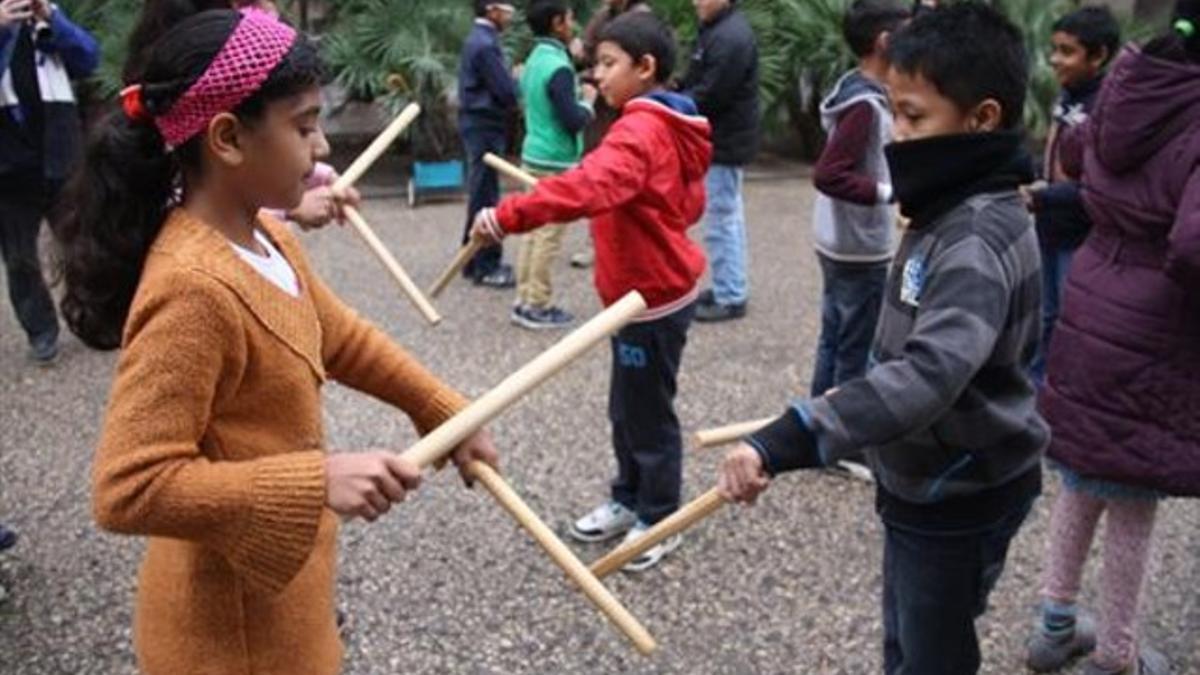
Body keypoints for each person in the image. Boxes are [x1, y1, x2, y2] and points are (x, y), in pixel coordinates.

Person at [53, 10, 498, 673]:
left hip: (282, 602)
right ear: (228, 137)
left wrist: (442, 408)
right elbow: (127, 487)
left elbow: (342, 338)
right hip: (226, 640)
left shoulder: (268, 234)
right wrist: (315, 478)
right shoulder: (192, 289)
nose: (322, 150)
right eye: (305, 126)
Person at [719, 5, 1046, 673]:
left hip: (959, 488)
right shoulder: (952, 201)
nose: (897, 133)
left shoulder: (976, 235)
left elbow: (929, 373)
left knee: (932, 648)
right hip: (925, 477)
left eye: (915, 116)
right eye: (895, 112)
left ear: (982, 118)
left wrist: (793, 435)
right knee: (908, 632)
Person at [472, 11, 711, 572]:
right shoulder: (665, 124)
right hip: (638, 292)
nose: (595, 75)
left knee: (647, 413)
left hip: (651, 297)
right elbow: (665, 199)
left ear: (646, 67)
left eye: (608, 64)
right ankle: (629, 497)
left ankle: (660, 514)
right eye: (595, 62)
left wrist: (510, 216)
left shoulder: (641, 129)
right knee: (627, 407)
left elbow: (592, 183)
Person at [1024, 2, 1200, 673]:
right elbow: (1191, 242)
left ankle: (1054, 623)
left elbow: (1079, 159)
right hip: (1153, 317)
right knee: (1132, 499)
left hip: (1094, 288)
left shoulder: (1130, 83)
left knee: (1081, 477)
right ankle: (1117, 653)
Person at [122, 0, 359, 231]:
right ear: (228, 137)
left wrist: (318, 176)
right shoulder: (190, 267)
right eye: (304, 128)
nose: (271, 10)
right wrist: (290, 211)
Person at [807, 0, 908, 481]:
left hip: (835, 238)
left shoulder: (853, 88)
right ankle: (842, 444)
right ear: (885, 42)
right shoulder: (865, 105)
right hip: (857, 245)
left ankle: (816, 426)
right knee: (854, 345)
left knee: (835, 336)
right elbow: (829, 174)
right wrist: (890, 192)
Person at [1024, 5, 1119, 384]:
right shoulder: (1068, 95)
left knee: (1068, 320)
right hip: (1049, 226)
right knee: (1045, 316)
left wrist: (1041, 196)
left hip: (1078, 234)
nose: (1054, 60)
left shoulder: (1107, 106)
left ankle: (1059, 393)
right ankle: (1036, 386)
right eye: (1054, 49)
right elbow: (1052, 154)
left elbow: (1099, 185)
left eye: (1067, 51)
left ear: (1099, 56)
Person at [0, 0, 97, 364]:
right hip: (9, 166)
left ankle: (94, 315)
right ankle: (40, 330)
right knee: (20, 258)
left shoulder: (49, 20)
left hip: (60, 154)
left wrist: (51, 18)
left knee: (82, 244)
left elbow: (88, 58)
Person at [510, 0, 597, 330]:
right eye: (571, 18)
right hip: (554, 160)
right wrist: (588, 100)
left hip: (533, 153)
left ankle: (523, 299)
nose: (573, 23)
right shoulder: (557, 66)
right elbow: (572, 119)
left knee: (532, 231)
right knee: (549, 233)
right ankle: (538, 304)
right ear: (558, 22)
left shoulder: (534, 60)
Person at [680, 0, 759, 322]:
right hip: (722, 139)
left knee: (721, 219)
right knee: (728, 215)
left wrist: (671, 104)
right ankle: (731, 285)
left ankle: (730, 295)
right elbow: (697, 79)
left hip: (724, 142)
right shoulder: (716, 30)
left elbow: (711, 94)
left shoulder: (731, 37)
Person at [571, 0, 651, 269]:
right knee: (599, 174)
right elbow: (587, 53)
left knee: (630, 179)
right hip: (603, 113)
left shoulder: (641, 18)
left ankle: (630, 241)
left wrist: (595, 74)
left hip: (629, 110)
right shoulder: (603, 15)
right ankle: (598, 240)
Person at [457, 0, 519, 288]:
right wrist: (515, 80)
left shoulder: (479, 40)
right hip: (485, 123)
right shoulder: (485, 45)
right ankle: (485, 264)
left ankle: (470, 260)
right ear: (492, 10)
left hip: (477, 122)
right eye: (507, 9)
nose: (510, 16)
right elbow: (505, 91)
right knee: (485, 195)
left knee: (480, 189)